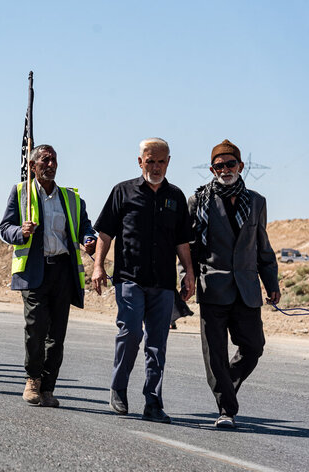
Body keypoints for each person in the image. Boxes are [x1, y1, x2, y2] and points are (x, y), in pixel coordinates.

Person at [92, 138, 195, 423]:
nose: (156, 166)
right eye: (150, 161)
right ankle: (119, 388)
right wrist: (99, 266)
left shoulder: (175, 196)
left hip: (163, 282)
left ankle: (153, 402)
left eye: (161, 161)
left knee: (157, 343)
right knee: (131, 332)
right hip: (129, 279)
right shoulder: (122, 192)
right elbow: (105, 234)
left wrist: (189, 272)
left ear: (168, 162)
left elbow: (182, 240)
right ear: (140, 162)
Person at [185, 139, 280, 429]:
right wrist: (185, 278)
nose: (225, 169)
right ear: (212, 169)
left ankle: (226, 384)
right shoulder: (198, 201)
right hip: (212, 286)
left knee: (254, 347)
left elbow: (262, 246)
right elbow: (187, 247)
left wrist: (271, 281)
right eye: (219, 165)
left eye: (230, 164)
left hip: (247, 288)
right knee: (215, 353)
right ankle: (227, 408)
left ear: (240, 166)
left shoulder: (257, 201)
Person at [0, 144, 96, 408]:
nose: (50, 164)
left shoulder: (72, 198)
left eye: (54, 160)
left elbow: (85, 226)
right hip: (34, 272)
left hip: (63, 272)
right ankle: (32, 379)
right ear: (32, 166)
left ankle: (49, 387)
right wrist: (21, 231)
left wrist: (89, 238)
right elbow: (5, 228)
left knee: (57, 334)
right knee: (36, 329)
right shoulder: (21, 193)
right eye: (44, 160)